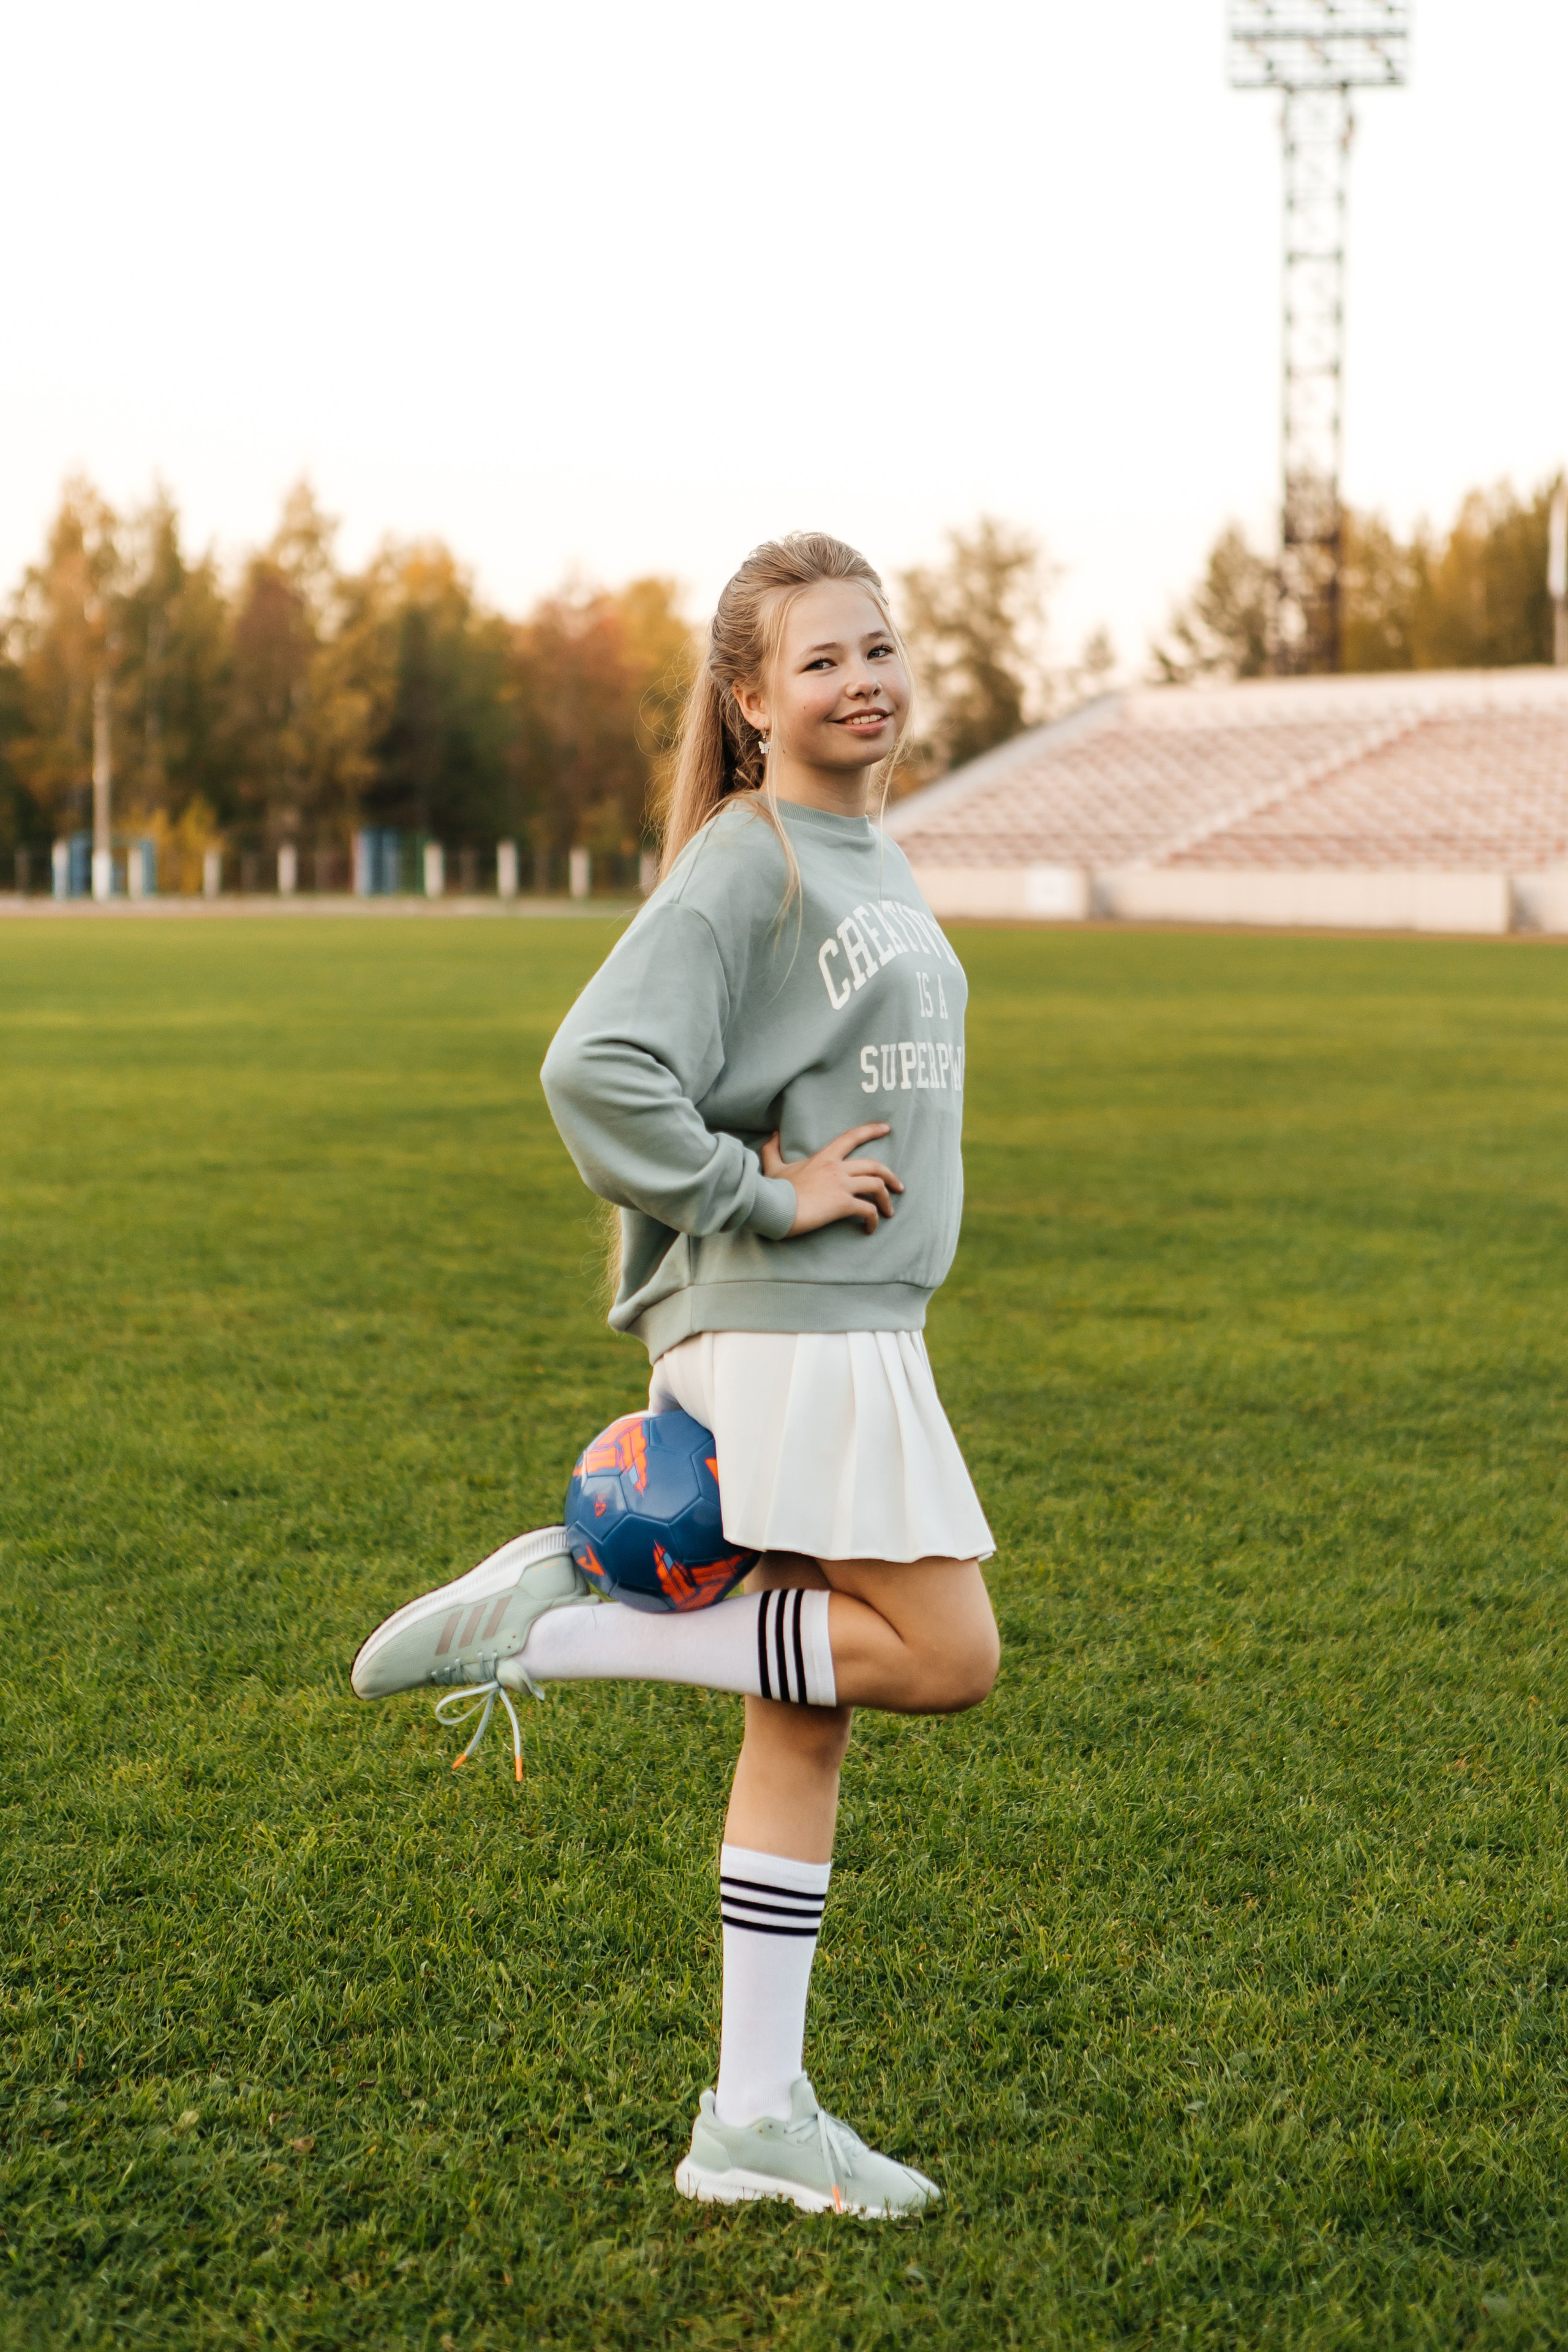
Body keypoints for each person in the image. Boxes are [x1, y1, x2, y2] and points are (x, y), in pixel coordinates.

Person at [352, 532, 999, 2218]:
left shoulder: (873, 857)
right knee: (945, 1651)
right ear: (750, 699)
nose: (863, 679)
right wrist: (756, 1193)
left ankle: (753, 2115)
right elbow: (597, 1065)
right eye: (820, 660)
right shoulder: (751, 858)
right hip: (790, 1322)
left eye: (880, 647)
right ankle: (560, 1623)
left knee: (808, 1716)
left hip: (856, 1326)